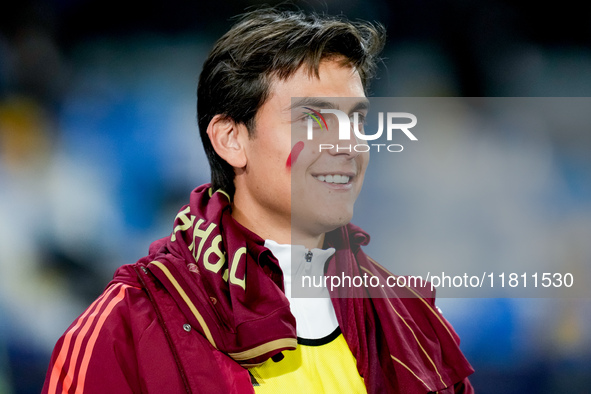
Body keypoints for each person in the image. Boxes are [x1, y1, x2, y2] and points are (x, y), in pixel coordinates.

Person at [42, 8, 474, 393]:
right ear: (231, 140)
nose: (348, 144)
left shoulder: (412, 321)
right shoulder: (125, 329)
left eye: (355, 118)